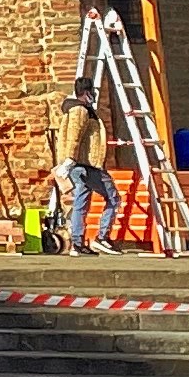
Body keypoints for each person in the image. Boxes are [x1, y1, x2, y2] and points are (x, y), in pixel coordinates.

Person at [48, 86, 118, 255]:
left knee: (81, 202)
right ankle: (101, 238)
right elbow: (74, 136)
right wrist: (70, 159)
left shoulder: (75, 109)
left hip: (79, 165)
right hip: (86, 165)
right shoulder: (80, 110)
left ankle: (77, 244)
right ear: (86, 93)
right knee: (113, 198)